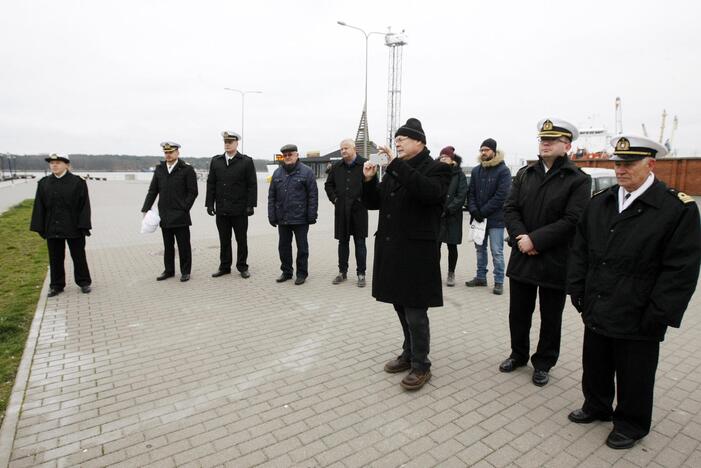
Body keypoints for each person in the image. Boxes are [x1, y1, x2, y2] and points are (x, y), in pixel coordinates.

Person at [567, 135, 701, 449]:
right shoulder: (602, 201)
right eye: (618, 163)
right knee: (596, 361)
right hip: (599, 300)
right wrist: (576, 288)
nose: (620, 170)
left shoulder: (675, 208)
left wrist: (661, 312)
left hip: (640, 309)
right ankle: (596, 405)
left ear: (650, 164)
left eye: (629, 164)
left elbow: (681, 268)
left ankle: (631, 423)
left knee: (635, 372)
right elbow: (580, 248)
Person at [500, 119, 591, 386]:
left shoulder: (578, 180)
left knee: (551, 316)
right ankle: (518, 354)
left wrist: (535, 240)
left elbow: (573, 219)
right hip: (522, 255)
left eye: (553, 140)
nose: (546, 143)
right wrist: (521, 238)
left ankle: (544, 362)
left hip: (554, 259)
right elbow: (510, 208)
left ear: (568, 145)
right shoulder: (525, 174)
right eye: (543, 139)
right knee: (518, 312)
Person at [362, 118, 451, 391]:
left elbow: (428, 194)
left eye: (403, 139)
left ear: (420, 142)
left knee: (415, 310)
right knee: (400, 304)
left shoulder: (437, 169)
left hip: (416, 252)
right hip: (392, 248)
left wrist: (395, 165)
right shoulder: (395, 170)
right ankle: (408, 352)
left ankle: (422, 365)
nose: (397, 142)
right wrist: (367, 180)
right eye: (396, 139)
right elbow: (375, 202)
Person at [30, 153, 92, 297]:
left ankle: (84, 282)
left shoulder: (77, 182)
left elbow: (84, 206)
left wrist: (83, 226)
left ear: (66, 165)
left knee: (78, 256)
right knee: (55, 257)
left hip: (73, 226)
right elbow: (39, 206)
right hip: (53, 226)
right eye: (52, 163)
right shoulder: (44, 183)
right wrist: (40, 227)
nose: (54, 165)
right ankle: (56, 285)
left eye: (58, 162)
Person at [141, 142, 198, 282]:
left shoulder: (186, 169)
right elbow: (153, 190)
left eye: (171, 152)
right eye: (166, 152)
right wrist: (146, 208)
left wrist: (185, 208)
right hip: (165, 214)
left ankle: (185, 271)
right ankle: (169, 270)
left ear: (177, 153)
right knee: (168, 245)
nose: (168, 154)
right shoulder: (160, 169)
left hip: (180, 215)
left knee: (183, 245)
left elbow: (193, 192)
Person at [205, 131, 257, 279]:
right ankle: (224, 266)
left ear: (236, 143)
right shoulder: (216, 161)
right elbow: (211, 184)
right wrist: (209, 204)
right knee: (224, 239)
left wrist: (250, 205)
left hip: (240, 209)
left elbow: (251, 185)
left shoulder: (246, 161)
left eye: (230, 142)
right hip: (222, 209)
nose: (227, 144)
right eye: (225, 142)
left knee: (241, 240)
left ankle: (242, 266)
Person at [465, 138, 511, 294]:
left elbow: (501, 196)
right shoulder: (477, 170)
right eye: (481, 150)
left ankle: (499, 281)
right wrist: (474, 210)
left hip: (495, 219)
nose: (483, 152)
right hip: (478, 218)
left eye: (486, 150)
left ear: (493, 151)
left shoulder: (503, 170)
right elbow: (470, 193)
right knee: (479, 249)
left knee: (496, 251)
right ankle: (480, 277)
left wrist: (482, 211)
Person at [268, 144, 318, 285]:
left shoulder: (307, 172)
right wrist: (271, 215)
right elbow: (271, 196)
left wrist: (312, 215)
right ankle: (286, 272)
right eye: (285, 155)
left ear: (297, 155)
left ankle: (301, 273)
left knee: (302, 248)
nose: (288, 157)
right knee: (283, 247)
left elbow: (313, 195)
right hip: (282, 217)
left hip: (300, 218)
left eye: (290, 154)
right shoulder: (277, 173)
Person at [324, 139, 368, 287]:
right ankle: (342, 272)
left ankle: (361, 274)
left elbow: (373, 184)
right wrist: (335, 199)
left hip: (359, 210)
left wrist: (365, 200)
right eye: (341, 149)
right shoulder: (337, 167)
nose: (343, 151)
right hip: (341, 210)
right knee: (343, 242)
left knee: (360, 243)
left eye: (346, 148)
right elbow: (328, 185)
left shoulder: (365, 164)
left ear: (354, 148)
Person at [437, 146, 468, 287]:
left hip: (452, 216)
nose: (443, 159)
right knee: (435, 245)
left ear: (452, 160)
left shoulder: (459, 175)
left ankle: (451, 273)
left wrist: (449, 209)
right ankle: (434, 272)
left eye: (446, 157)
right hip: (437, 215)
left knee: (452, 246)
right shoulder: (436, 173)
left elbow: (461, 195)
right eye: (441, 157)